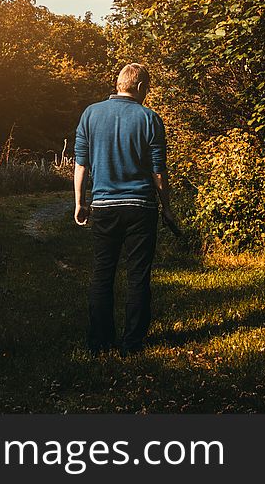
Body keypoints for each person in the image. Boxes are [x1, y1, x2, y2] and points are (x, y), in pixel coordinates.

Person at [73, 63, 176, 356]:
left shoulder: (90, 114)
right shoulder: (150, 118)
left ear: (118, 84)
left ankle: (99, 342)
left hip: (104, 207)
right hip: (141, 207)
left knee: (102, 274)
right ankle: (132, 344)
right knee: (138, 276)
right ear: (141, 88)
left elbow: (81, 164)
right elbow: (158, 170)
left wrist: (80, 202)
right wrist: (166, 207)